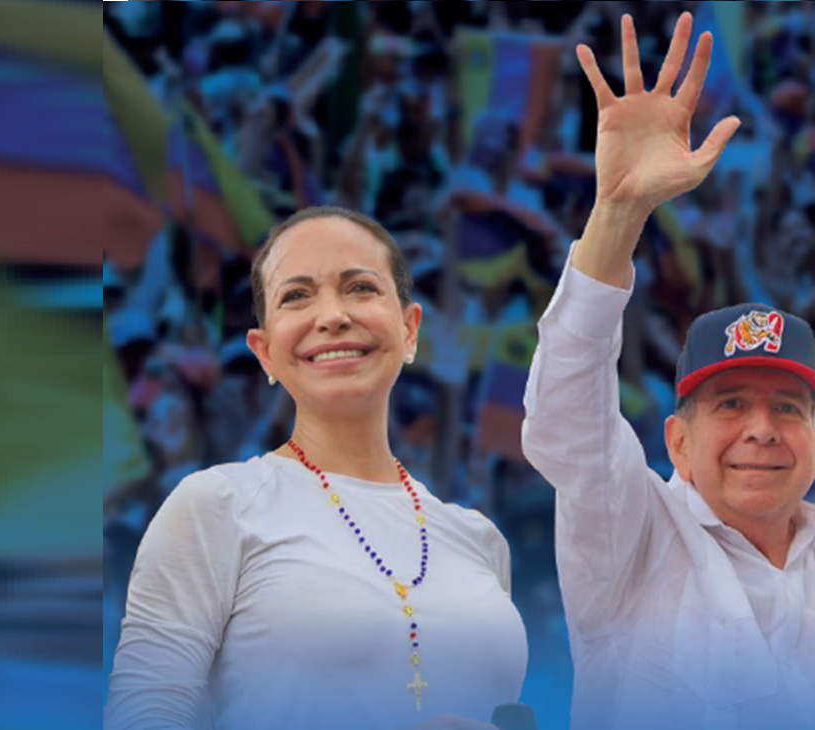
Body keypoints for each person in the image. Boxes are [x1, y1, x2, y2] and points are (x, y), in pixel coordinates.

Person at [521, 14, 815, 730]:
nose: (762, 430)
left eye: (788, 408)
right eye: (730, 403)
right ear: (675, 442)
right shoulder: (631, 541)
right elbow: (563, 421)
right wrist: (618, 212)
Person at [106, 206, 527, 730]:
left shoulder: (480, 541)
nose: (332, 316)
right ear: (264, 354)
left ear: (410, 328)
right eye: (296, 296)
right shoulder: (217, 507)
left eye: (360, 287)